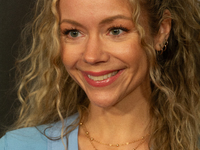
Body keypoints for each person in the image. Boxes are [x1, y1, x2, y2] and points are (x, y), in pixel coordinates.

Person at [0, 0, 200, 149]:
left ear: (161, 31)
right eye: (73, 32)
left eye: (116, 30)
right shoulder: (17, 146)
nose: (92, 56)